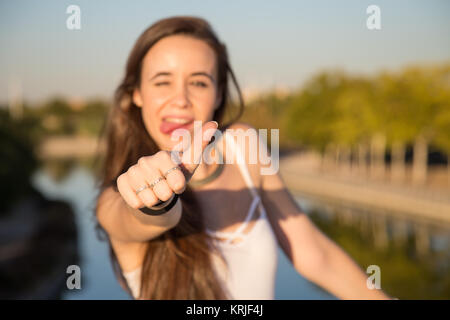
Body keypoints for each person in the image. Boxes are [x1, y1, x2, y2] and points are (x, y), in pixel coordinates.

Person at [94, 16, 393, 300]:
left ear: (220, 94)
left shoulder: (242, 144)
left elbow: (314, 253)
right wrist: (158, 198)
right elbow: (146, 218)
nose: (181, 99)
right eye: (162, 82)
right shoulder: (114, 200)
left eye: (199, 82)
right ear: (137, 94)